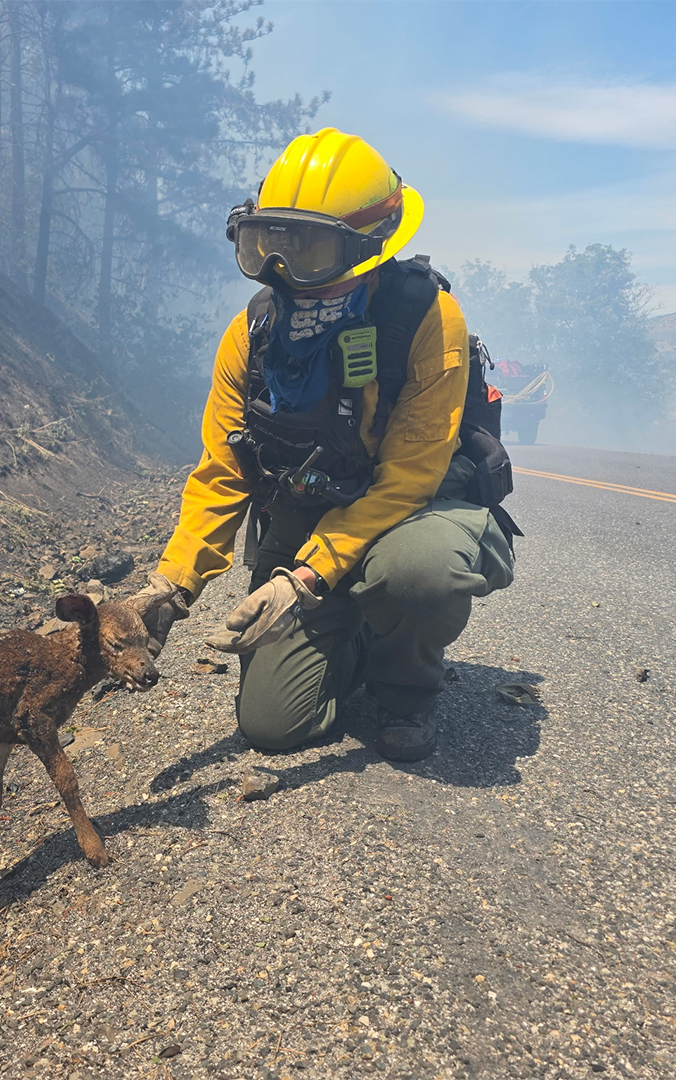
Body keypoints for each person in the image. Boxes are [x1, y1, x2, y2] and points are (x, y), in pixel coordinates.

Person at [130, 128, 516, 762]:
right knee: (272, 728)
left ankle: (405, 691)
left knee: (418, 576)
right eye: (270, 246)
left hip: (405, 518)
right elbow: (223, 472)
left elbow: (411, 476)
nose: (286, 272)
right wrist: (170, 587)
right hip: (304, 518)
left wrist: (304, 580)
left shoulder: (427, 320)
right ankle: (357, 630)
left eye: (310, 250)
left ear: (368, 247)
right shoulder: (249, 334)